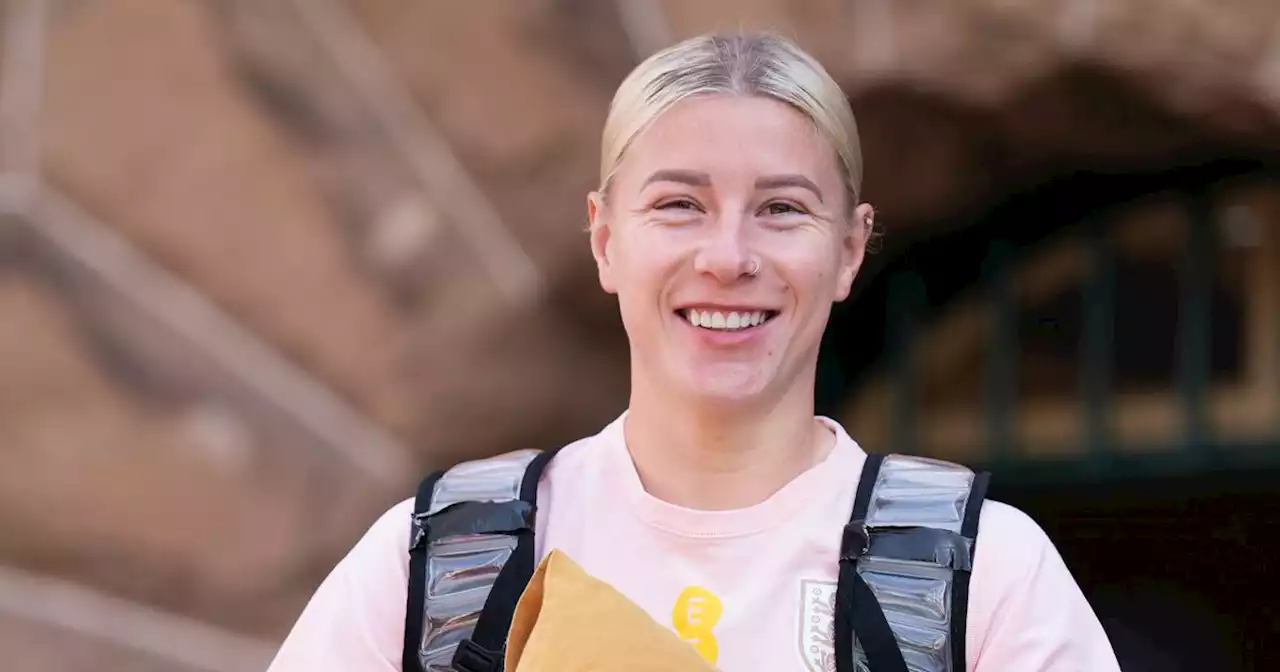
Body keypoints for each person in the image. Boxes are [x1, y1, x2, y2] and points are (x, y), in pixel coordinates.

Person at [266, 32, 1121, 672]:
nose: (728, 257)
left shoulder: (980, 573)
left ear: (851, 251)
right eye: (679, 205)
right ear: (604, 239)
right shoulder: (442, 561)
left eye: (782, 209)